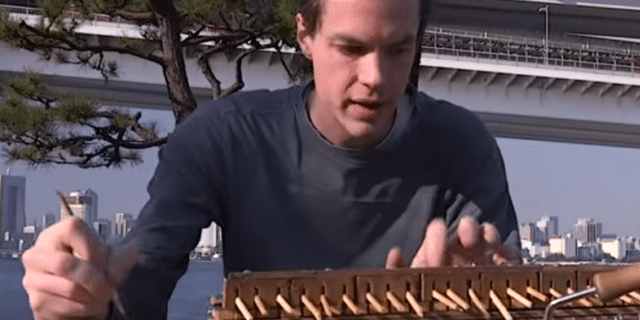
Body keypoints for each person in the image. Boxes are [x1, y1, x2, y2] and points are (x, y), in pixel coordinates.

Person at [21, 0, 522, 319]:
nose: (376, 76)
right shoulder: (223, 137)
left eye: (399, 50)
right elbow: (137, 294)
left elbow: (509, 289)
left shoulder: (460, 144)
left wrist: (488, 301)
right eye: (350, 47)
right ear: (304, 33)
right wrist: (83, 301)